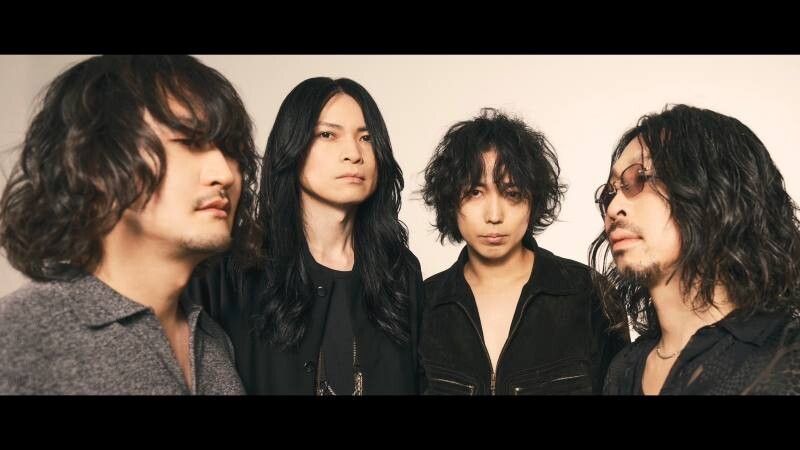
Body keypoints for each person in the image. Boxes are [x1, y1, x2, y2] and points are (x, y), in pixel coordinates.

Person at [0, 55, 261, 394]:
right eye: (188, 142)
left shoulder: (212, 341)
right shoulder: (19, 336)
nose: (224, 174)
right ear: (97, 164)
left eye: (230, 151)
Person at [184, 77, 424, 395]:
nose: (353, 153)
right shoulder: (232, 267)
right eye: (328, 135)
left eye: (366, 137)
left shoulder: (400, 270)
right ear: (292, 147)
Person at [592, 104, 800, 395]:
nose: (614, 208)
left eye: (639, 178)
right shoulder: (623, 368)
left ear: (716, 188)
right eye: (609, 193)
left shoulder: (787, 357)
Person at [419, 108, 628, 395]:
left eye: (512, 193)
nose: (494, 215)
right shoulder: (424, 304)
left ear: (533, 200)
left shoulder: (588, 294)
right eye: (475, 193)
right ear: (451, 200)